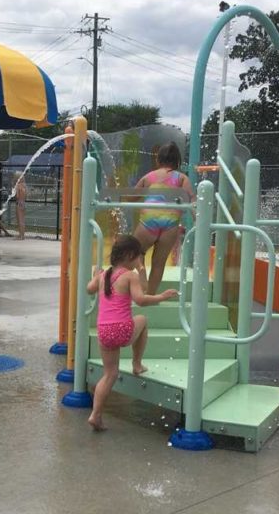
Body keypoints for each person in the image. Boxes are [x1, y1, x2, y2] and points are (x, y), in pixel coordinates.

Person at [85, 235, 178, 431]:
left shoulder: (105, 276)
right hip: (122, 330)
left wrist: (96, 275)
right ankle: (137, 364)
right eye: (138, 257)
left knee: (109, 374)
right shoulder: (129, 276)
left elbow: (89, 289)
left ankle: (95, 415)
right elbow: (141, 299)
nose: (139, 262)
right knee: (142, 320)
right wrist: (161, 296)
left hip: (104, 332)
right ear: (129, 256)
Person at [132, 142, 193, 293]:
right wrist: (198, 217)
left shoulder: (149, 177)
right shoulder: (181, 178)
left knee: (135, 251)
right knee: (159, 264)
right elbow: (192, 199)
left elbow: (131, 197)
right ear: (178, 161)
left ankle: (140, 270)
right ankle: (151, 295)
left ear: (158, 160)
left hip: (149, 220)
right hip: (170, 223)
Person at [13, 172, 27, 240]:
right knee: (22, 220)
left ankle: (20, 235)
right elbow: (26, 195)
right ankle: (22, 235)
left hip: (19, 203)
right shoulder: (24, 185)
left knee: (19, 220)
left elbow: (17, 196)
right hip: (23, 203)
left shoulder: (18, 186)